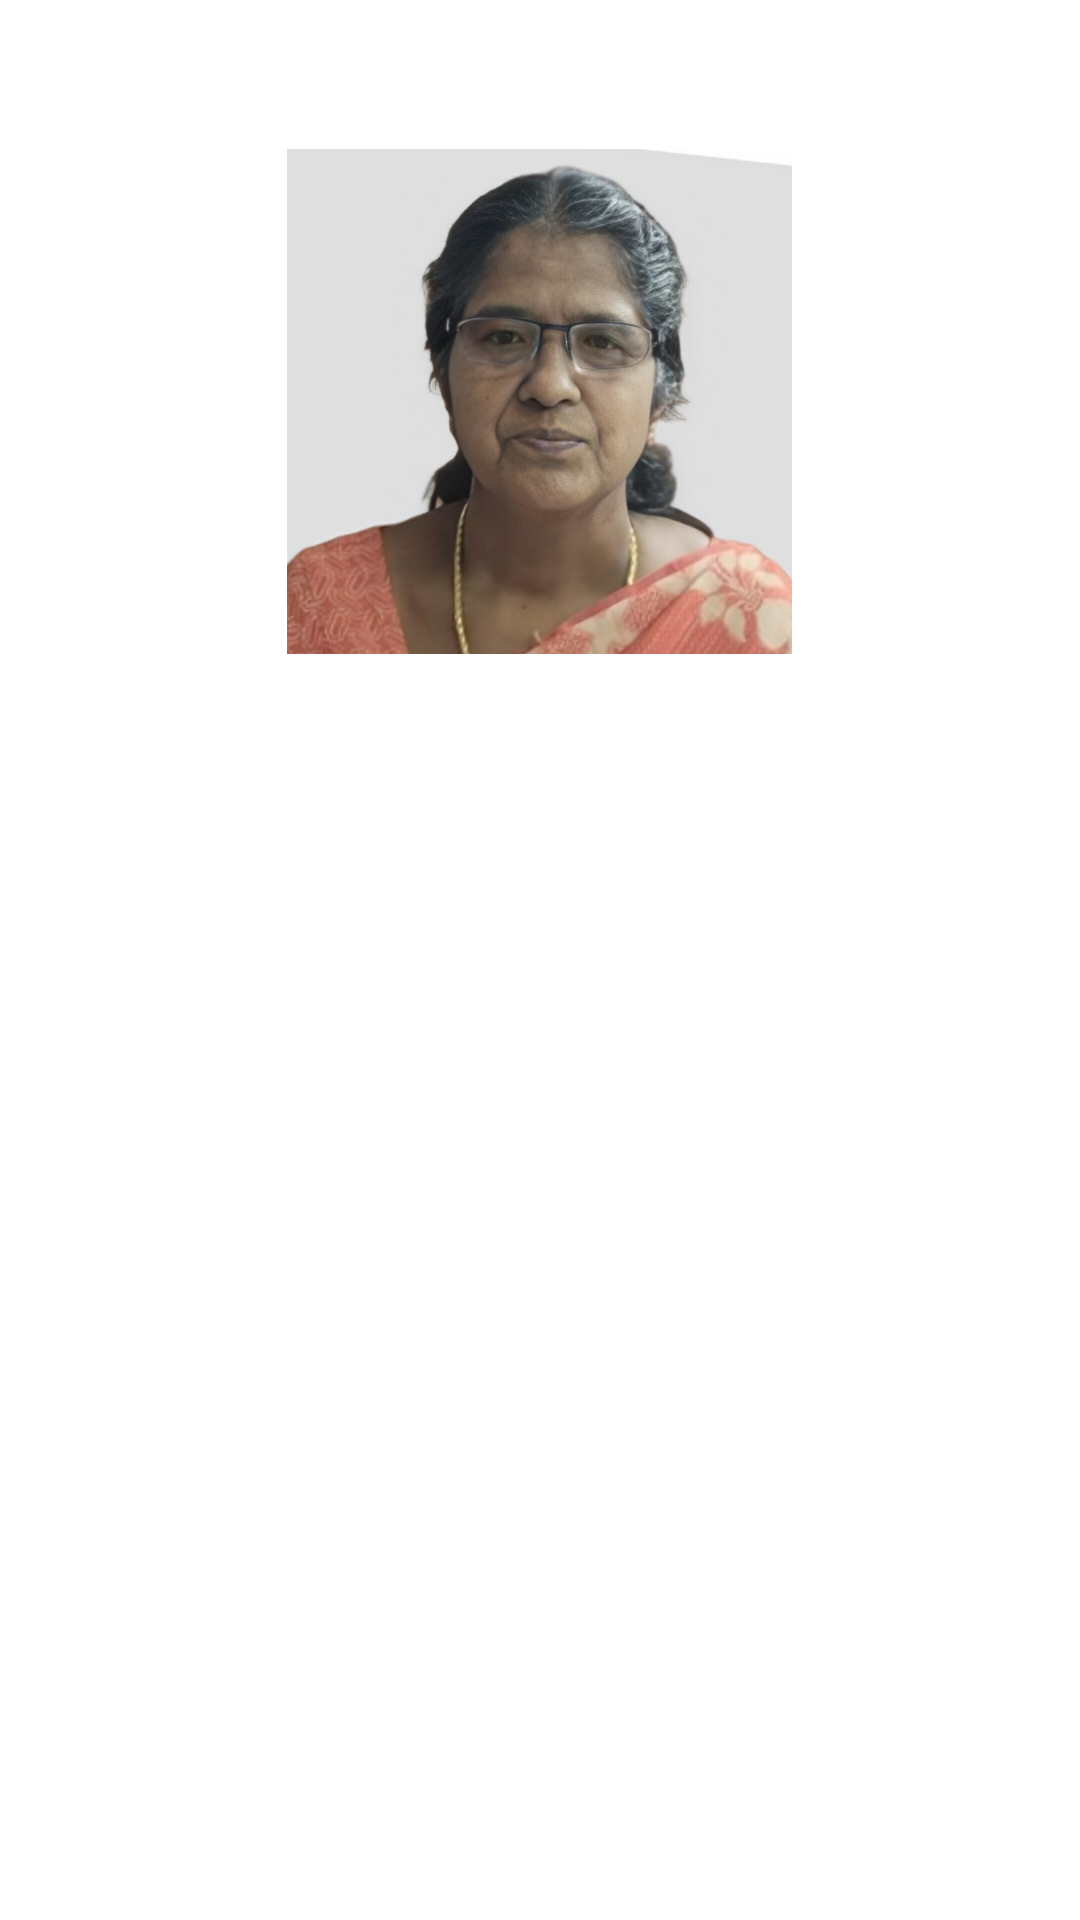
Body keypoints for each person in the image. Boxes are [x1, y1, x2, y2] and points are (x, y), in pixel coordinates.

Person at [287, 167, 791, 656]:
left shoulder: (749, 619)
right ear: (444, 377)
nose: (550, 386)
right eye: (505, 337)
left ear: (660, 393)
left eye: (602, 342)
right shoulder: (323, 604)